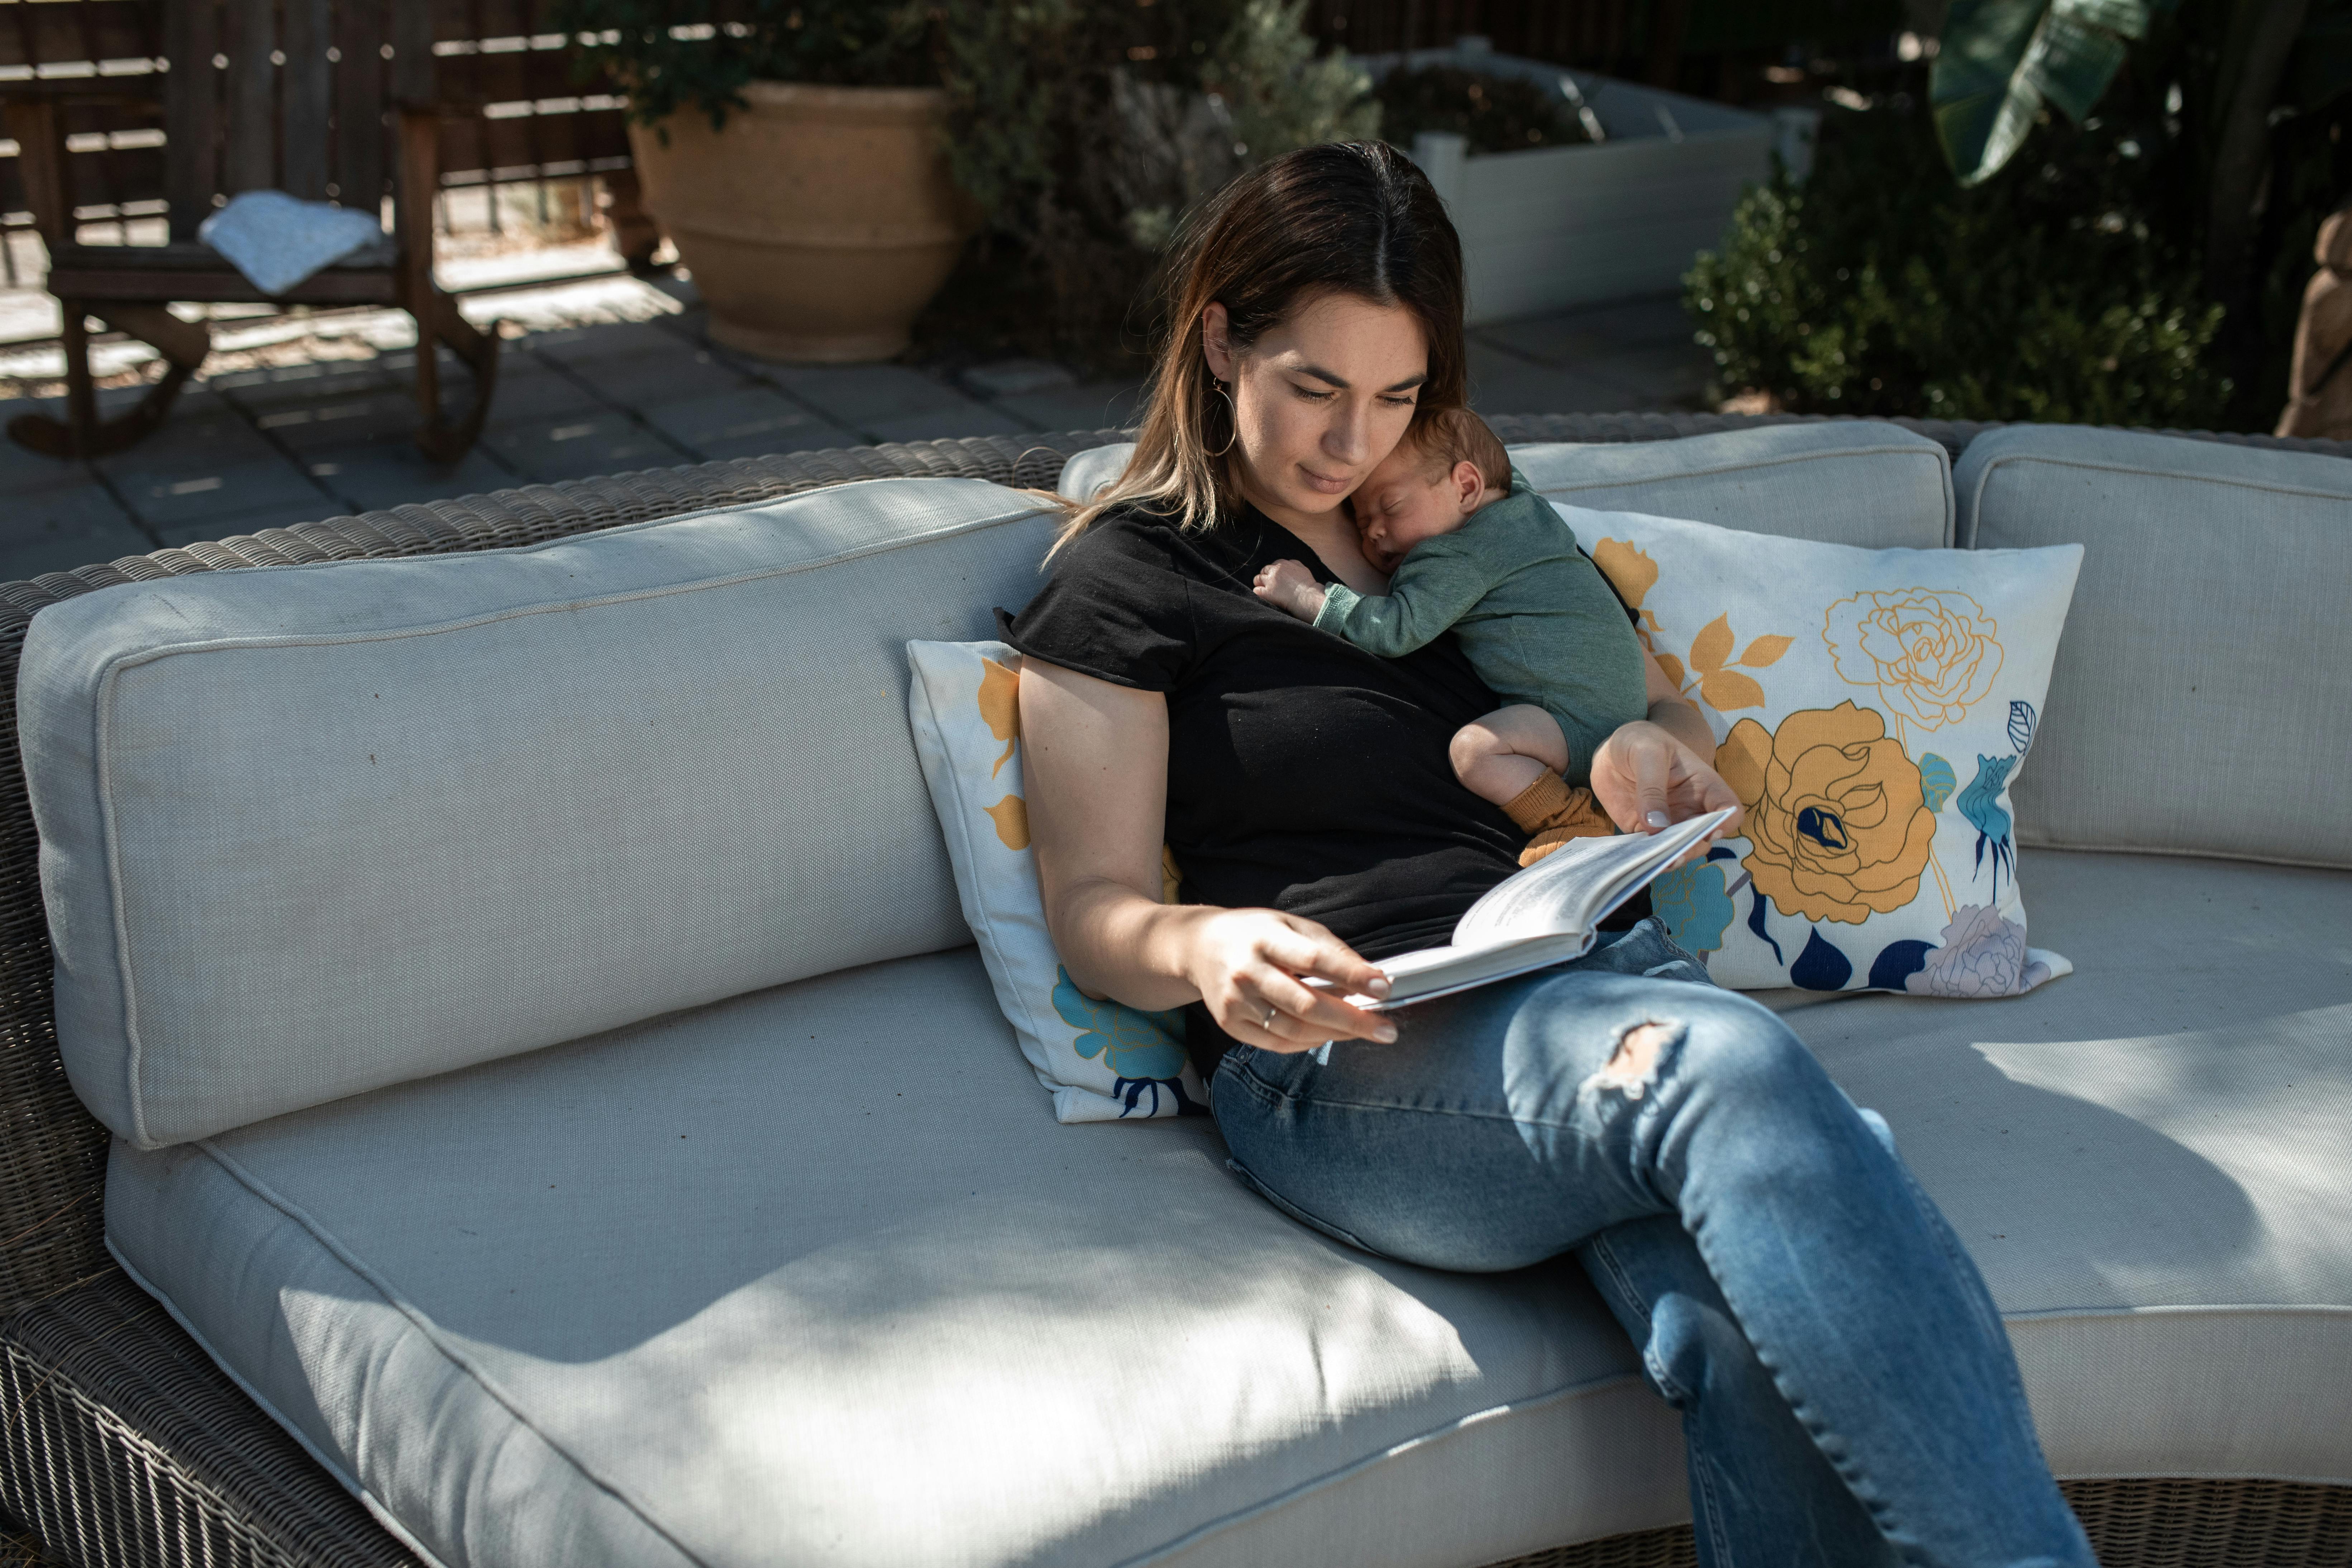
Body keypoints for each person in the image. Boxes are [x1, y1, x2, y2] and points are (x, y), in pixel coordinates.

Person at [1002, 139, 2094, 1567]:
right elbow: (1091, 907)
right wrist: (1204, 948)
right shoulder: (1126, 573)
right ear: (1220, 341)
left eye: (1392, 395)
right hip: (1353, 1046)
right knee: (1734, 1073)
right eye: (1313, 388)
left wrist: (1650, 746)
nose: (1350, 447)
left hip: (1586, 969)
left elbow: (1638, 695)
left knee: (1744, 1314)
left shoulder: (1451, 513)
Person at [1248, 404, 1641, 864]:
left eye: (1390, 505)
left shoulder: (1457, 556)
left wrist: (1310, 595)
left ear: (1467, 487)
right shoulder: (1528, 509)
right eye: (1360, 520)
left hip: (1572, 720)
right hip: (1624, 711)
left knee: (1475, 752)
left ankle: (1569, 820)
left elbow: (1396, 629)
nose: (1373, 529)